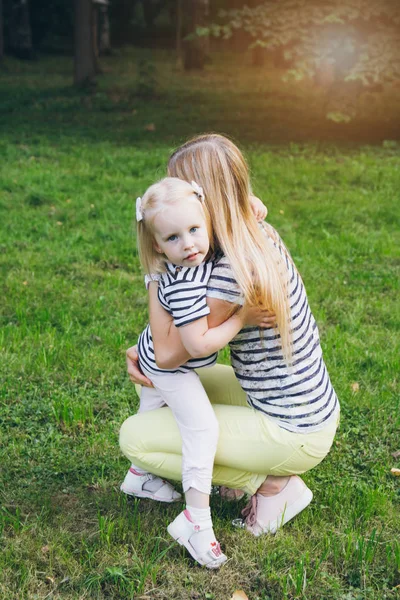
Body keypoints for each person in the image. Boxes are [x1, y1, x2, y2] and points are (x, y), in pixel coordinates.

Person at [120, 133, 340, 566]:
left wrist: (152, 277)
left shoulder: (229, 272)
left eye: (187, 193)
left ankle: (274, 485)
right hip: (307, 407)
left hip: (293, 428)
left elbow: (167, 355)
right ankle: (266, 474)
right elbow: (171, 349)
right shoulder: (252, 230)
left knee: (136, 438)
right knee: (174, 391)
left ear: (208, 198)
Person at [120, 176, 273, 569]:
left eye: (194, 229)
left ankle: (138, 476)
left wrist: (249, 207)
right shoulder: (185, 285)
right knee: (202, 429)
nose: (188, 244)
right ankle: (196, 521)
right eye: (173, 238)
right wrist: (242, 317)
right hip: (173, 369)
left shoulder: (191, 259)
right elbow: (200, 346)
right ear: (157, 245)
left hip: (152, 352)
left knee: (153, 413)